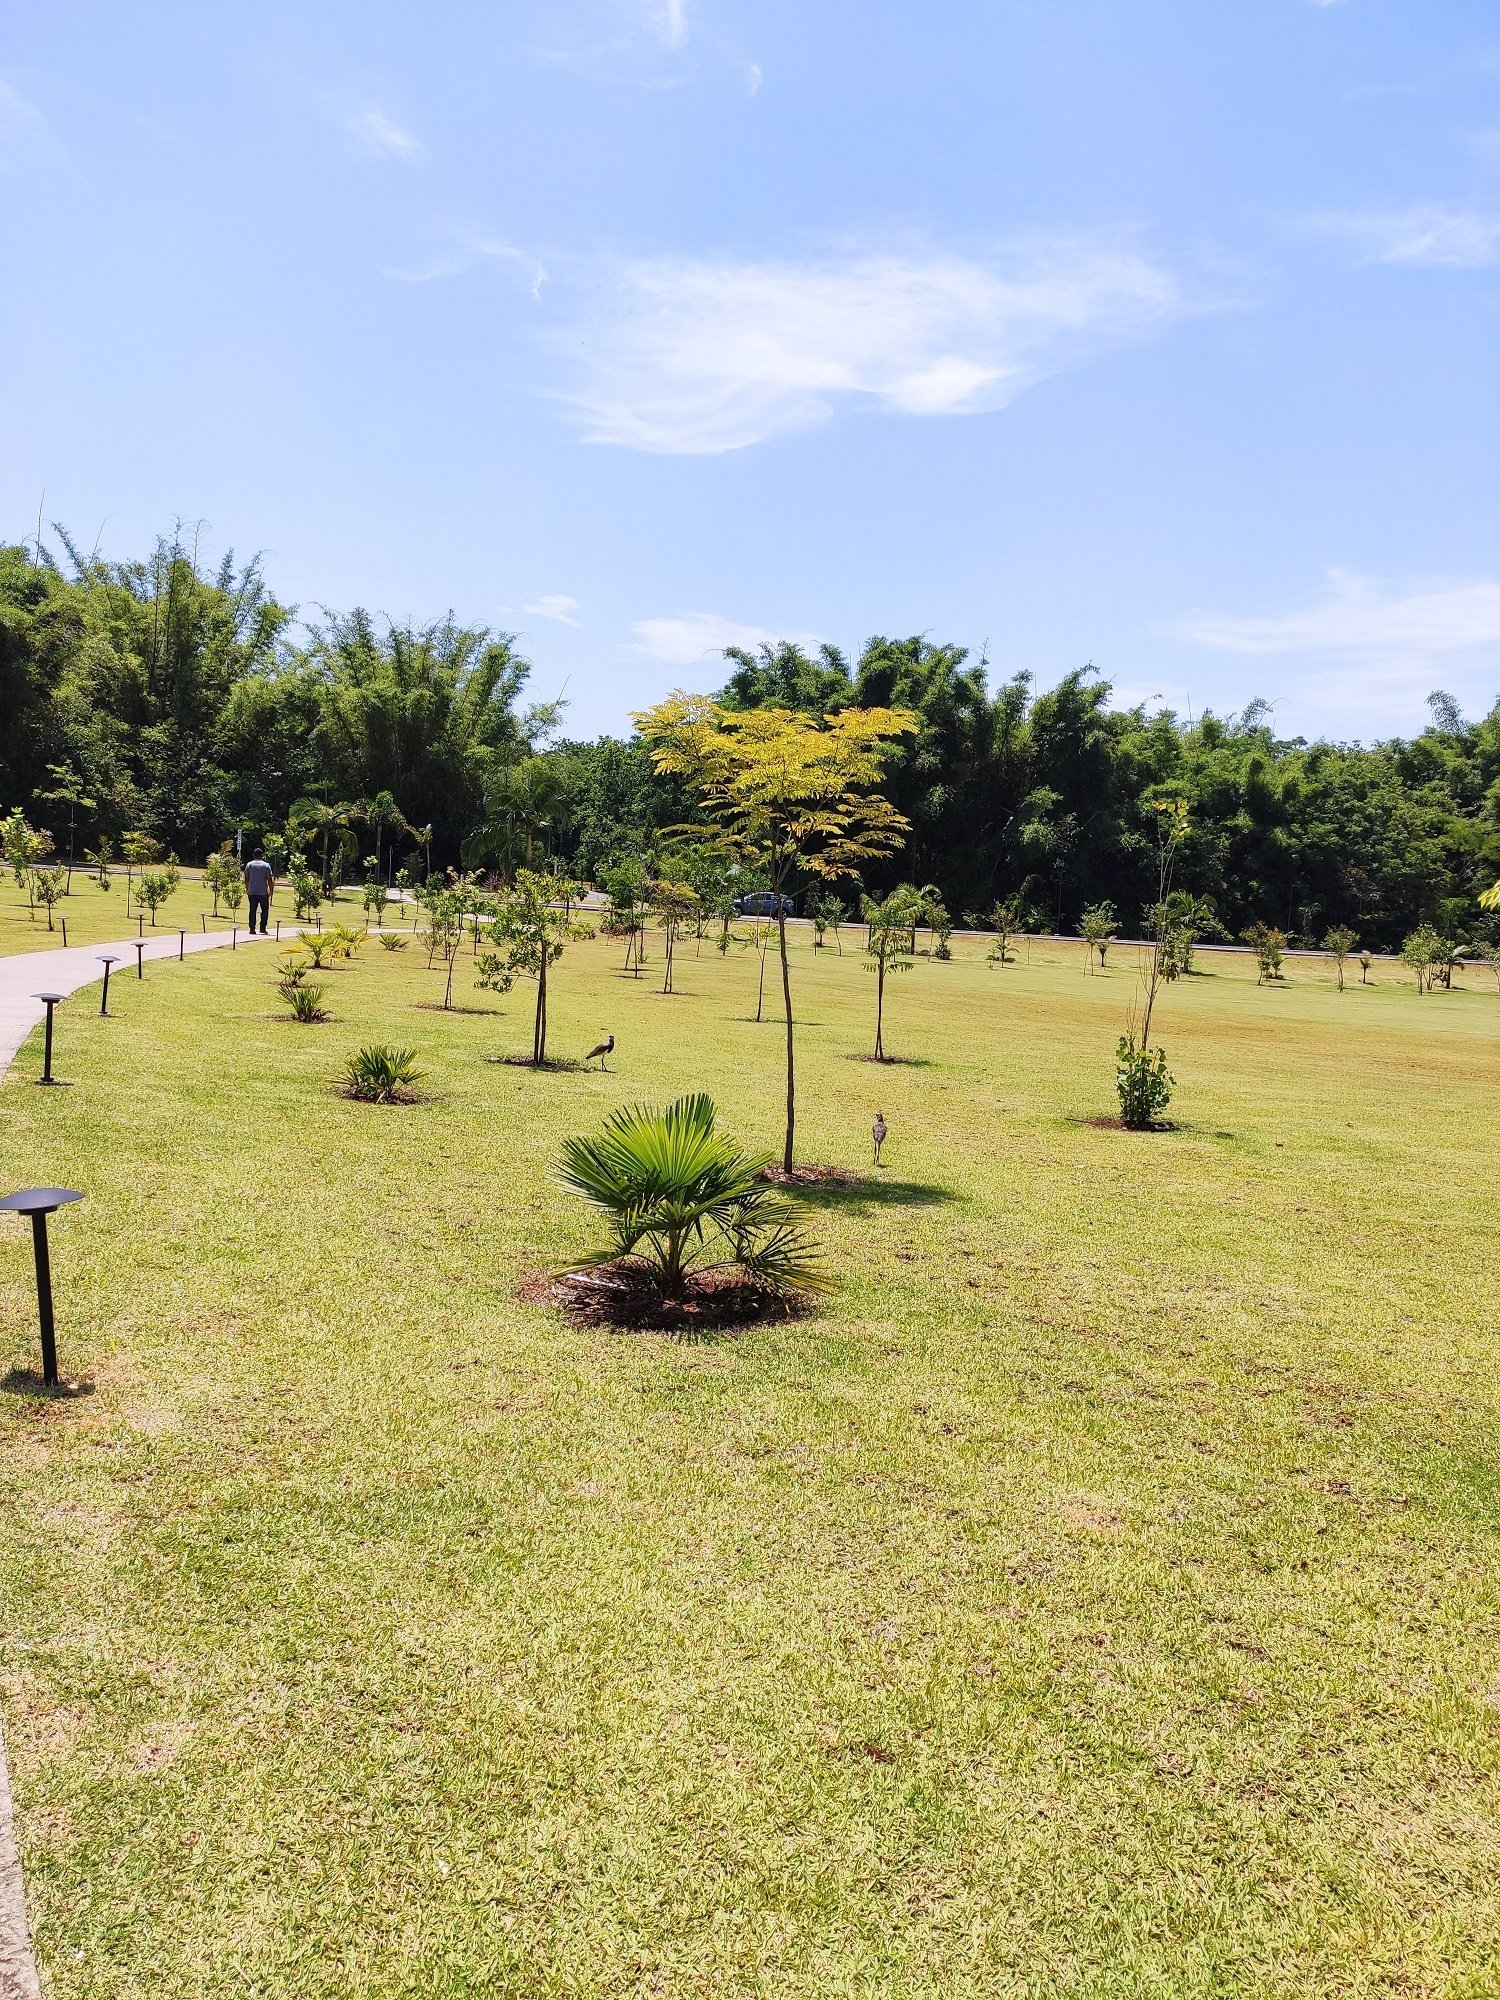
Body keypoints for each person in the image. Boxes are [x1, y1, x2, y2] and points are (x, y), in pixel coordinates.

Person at [244, 848, 275, 934]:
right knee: (265, 910)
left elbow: (246, 879)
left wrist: (247, 889)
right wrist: (271, 891)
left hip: (252, 892)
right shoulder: (266, 865)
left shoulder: (249, 865)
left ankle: (252, 928)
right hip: (263, 892)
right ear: (262, 855)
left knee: (252, 910)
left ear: (254, 855)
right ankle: (262, 928)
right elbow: (269, 880)